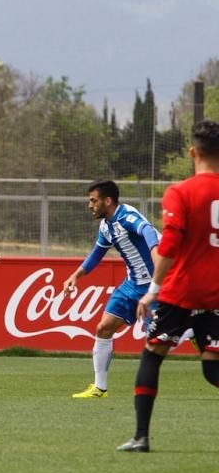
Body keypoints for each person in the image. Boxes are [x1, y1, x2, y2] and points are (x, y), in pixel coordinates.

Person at [118, 120, 219, 452]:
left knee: (153, 354)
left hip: (182, 291)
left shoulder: (181, 192)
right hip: (216, 294)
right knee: (211, 365)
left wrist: (153, 289)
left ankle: (141, 437)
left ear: (193, 152)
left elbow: (170, 245)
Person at [62, 180, 160, 398]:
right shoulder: (106, 225)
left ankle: (191, 328)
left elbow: (148, 230)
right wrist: (75, 276)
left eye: (93, 200)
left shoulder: (126, 216)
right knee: (104, 328)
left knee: (157, 340)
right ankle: (99, 388)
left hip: (156, 285)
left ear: (107, 201)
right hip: (132, 284)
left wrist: (156, 253)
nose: (90, 205)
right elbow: (97, 254)